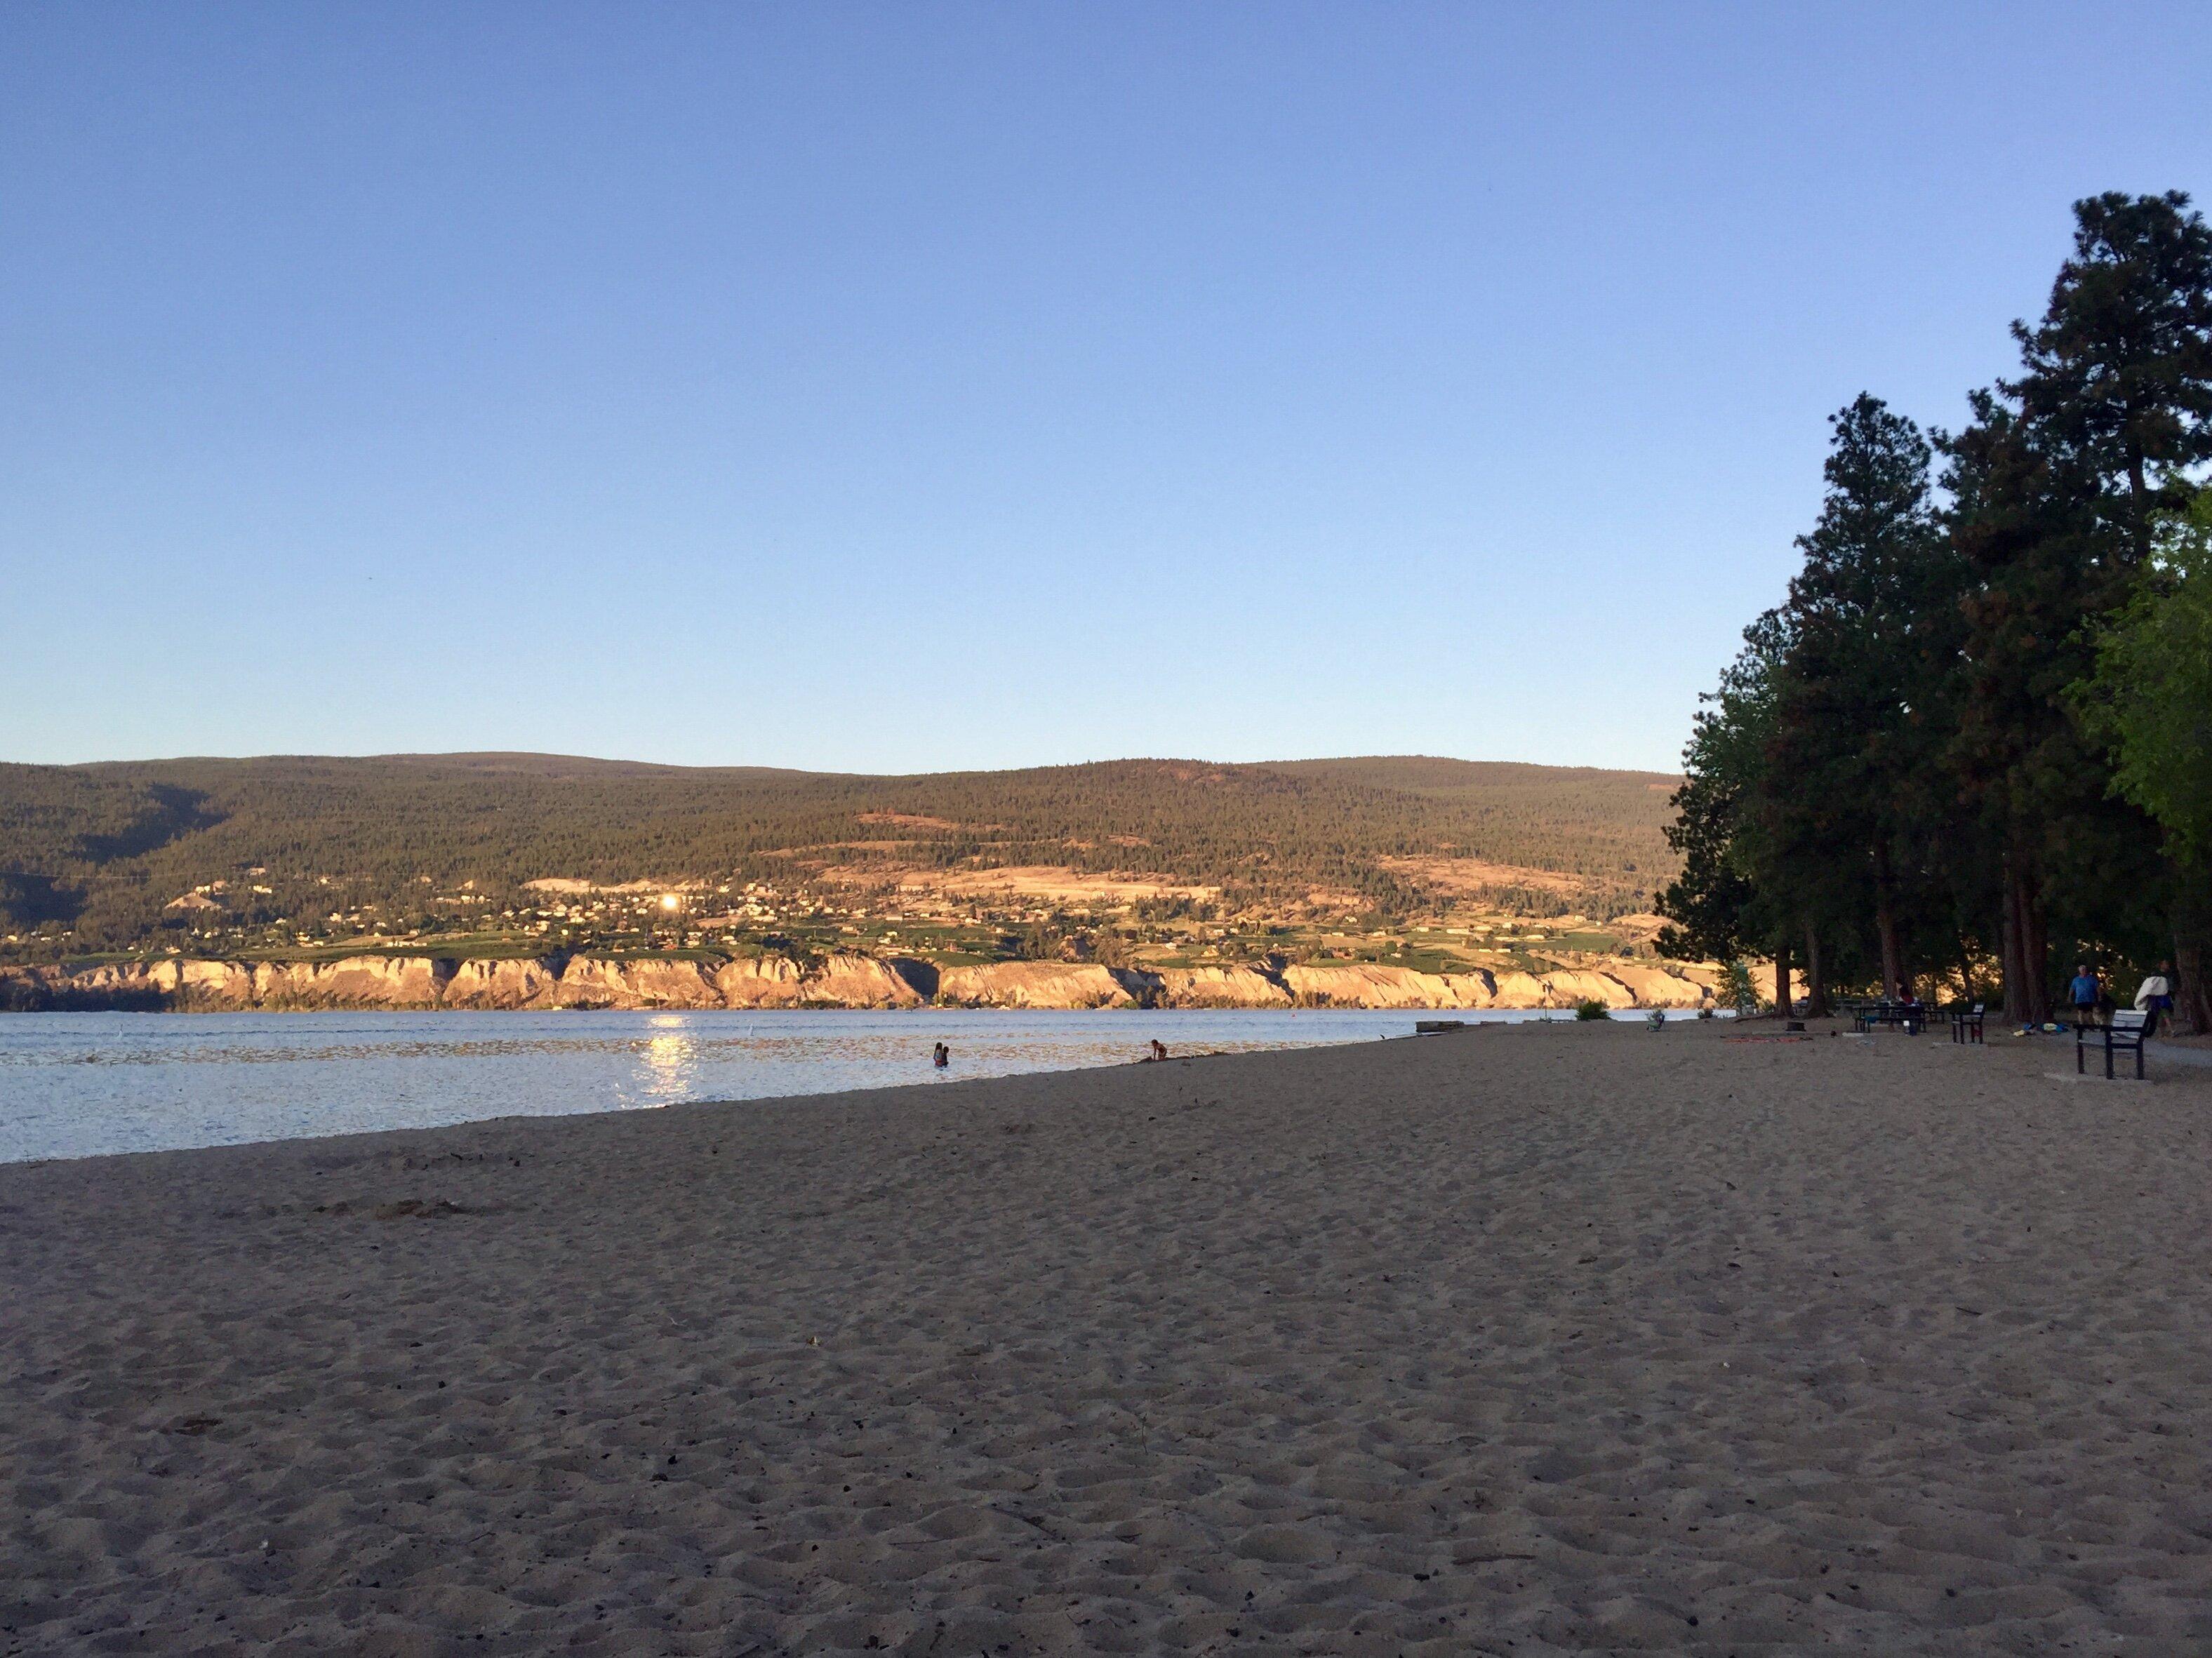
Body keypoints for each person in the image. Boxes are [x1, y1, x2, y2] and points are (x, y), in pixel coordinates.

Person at [2135, 961, 2175, 1037]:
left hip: (2163, 998)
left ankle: (2169, 1031)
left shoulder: (2167, 975)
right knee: (2162, 1015)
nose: (2167, 965)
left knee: (2164, 1014)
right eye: (2166, 964)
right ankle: (2167, 1032)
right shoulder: (2158, 975)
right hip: (2159, 999)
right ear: (2161, 965)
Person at [2068, 963, 2103, 1029]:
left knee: (2089, 1015)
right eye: (2082, 970)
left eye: (2084, 970)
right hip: (2080, 999)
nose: (2083, 971)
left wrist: (2099, 995)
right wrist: (2069, 996)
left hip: (2089, 999)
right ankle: (2082, 1027)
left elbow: (2097, 987)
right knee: (2080, 1013)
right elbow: (2072, 988)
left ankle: (2091, 1027)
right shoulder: (2076, 979)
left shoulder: (2091, 979)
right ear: (2079, 971)